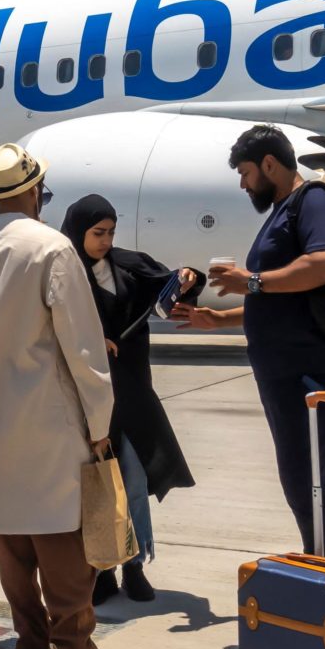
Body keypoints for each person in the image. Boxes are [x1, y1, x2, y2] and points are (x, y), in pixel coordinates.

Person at [0, 142, 129, 649]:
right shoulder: (52, 248)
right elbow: (82, 347)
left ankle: (30, 642)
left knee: (12, 537)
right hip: (46, 414)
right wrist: (99, 422)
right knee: (62, 537)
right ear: (34, 193)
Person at [171, 124, 325, 560]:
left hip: (315, 369)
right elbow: (287, 301)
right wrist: (218, 319)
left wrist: (250, 280)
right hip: (287, 371)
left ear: (270, 165)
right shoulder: (283, 210)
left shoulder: (314, 201)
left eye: (245, 172)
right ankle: (321, 560)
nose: (242, 183)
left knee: (306, 474)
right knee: (300, 474)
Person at [59, 196, 204, 604]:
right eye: (97, 234)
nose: (105, 241)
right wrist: (89, 342)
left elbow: (172, 284)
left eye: (110, 233)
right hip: (88, 396)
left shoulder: (127, 263)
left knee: (135, 480)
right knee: (99, 484)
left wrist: (189, 278)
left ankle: (134, 565)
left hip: (133, 392)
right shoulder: (63, 271)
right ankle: (102, 568)